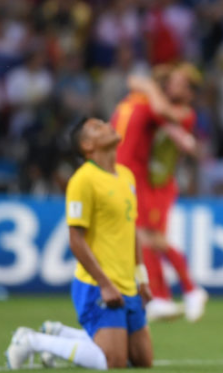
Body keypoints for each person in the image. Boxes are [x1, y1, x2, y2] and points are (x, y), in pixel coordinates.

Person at [5, 117, 153, 370]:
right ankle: (32, 340)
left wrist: (142, 277)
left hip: (128, 284)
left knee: (142, 360)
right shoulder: (83, 180)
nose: (107, 126)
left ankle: (60, 333)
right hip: (97, 285)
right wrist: (105, 284)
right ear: (87, 146)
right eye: (97, 127)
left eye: (104, 122)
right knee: (113, 361)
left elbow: (132, 230)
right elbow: (76, 240)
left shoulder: (126, 176)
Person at [111, 66, 207, 322]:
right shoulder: (146, 102)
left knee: (148, 239)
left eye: (180, 83)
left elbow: (169, 117)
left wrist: (147, 86)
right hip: (138, 179)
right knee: (146, 240)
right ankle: (164, 297)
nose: (173, 87)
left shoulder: (175, 111)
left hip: (155, 183)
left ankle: (184, 291)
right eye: (171, 82)